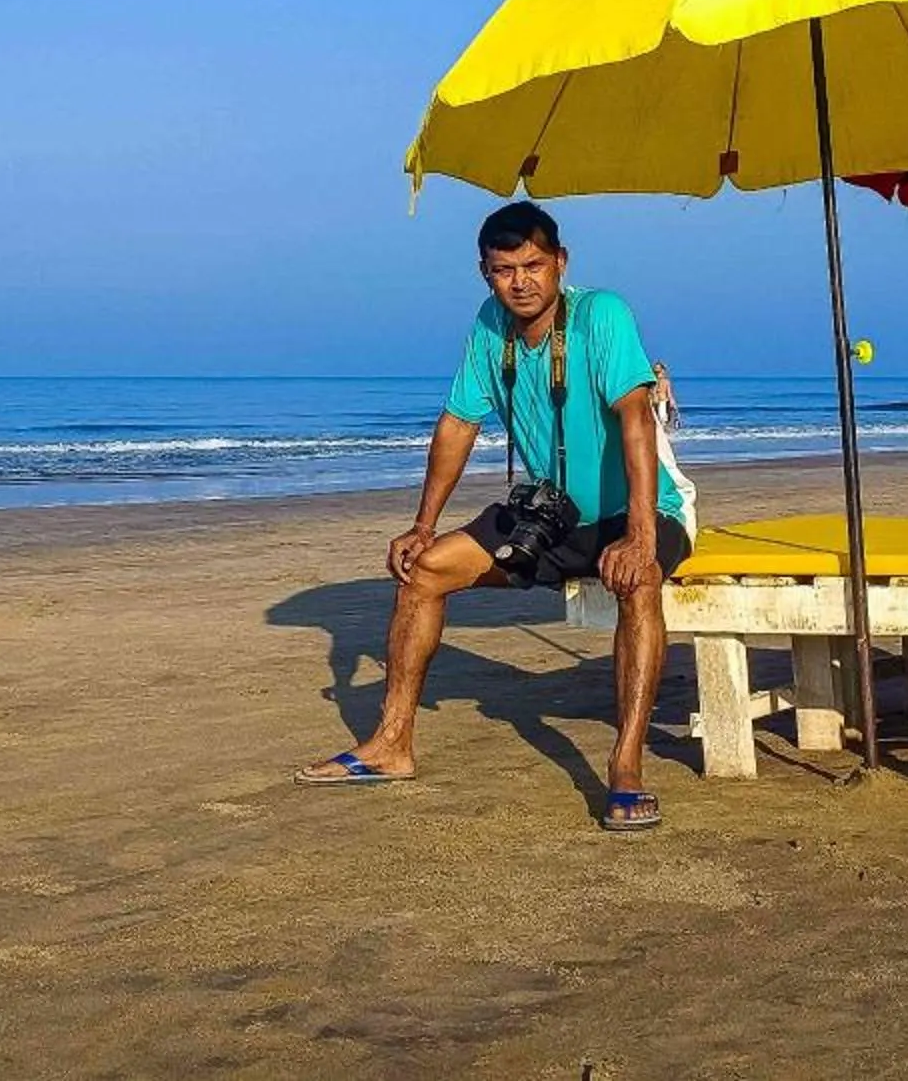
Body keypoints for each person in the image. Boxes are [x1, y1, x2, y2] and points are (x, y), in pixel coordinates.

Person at [295, 200, 689, 832]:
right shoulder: (489, 327)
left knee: (638, 582)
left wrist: (641, 535)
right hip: (552, 516)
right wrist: (422, 523)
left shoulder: (602, 315)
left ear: (561, 262)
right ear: (485, 272)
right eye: (504, 270)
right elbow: (457, 424)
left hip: (638, 507)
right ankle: (392, 744)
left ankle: (626, 766)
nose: (521, 281)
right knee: (423, 570)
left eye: (534, 265)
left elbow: (637, 419)